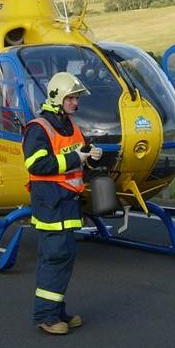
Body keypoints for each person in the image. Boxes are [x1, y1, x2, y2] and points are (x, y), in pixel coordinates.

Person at [23, 71, 102, 334]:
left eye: (76, 98)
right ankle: (45, 316)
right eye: (71, 98)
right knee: (55, 258)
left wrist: (90, 156)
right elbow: (37, 164)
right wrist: (76, 159)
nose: (75, 104)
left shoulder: (71, 126)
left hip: (67, 203)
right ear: (57, 97)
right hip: (51, 204)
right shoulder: (39, 128)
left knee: (63, 257)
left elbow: (79, 157)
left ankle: (57, 311)